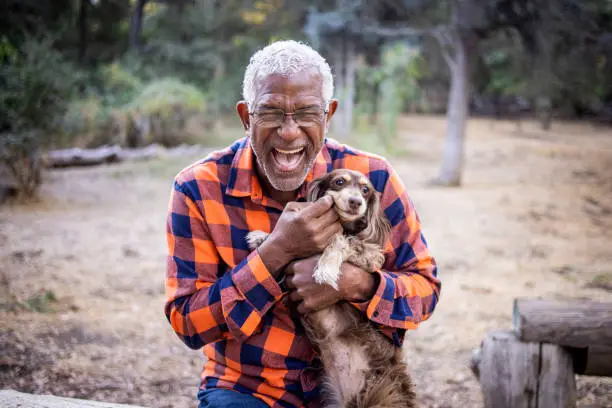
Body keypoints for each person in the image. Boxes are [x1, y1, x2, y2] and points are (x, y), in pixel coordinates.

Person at [165, 40, 440, 408]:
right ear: (247, 116)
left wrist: (356, 284)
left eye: (307, 113)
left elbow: (425, 290)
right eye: (272, 112)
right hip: (249, 389)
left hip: (361, 388)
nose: (290, 132)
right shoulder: (199, 187)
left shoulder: (373, 179)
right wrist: (277, 252)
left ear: (329, 115)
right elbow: (189, 322)